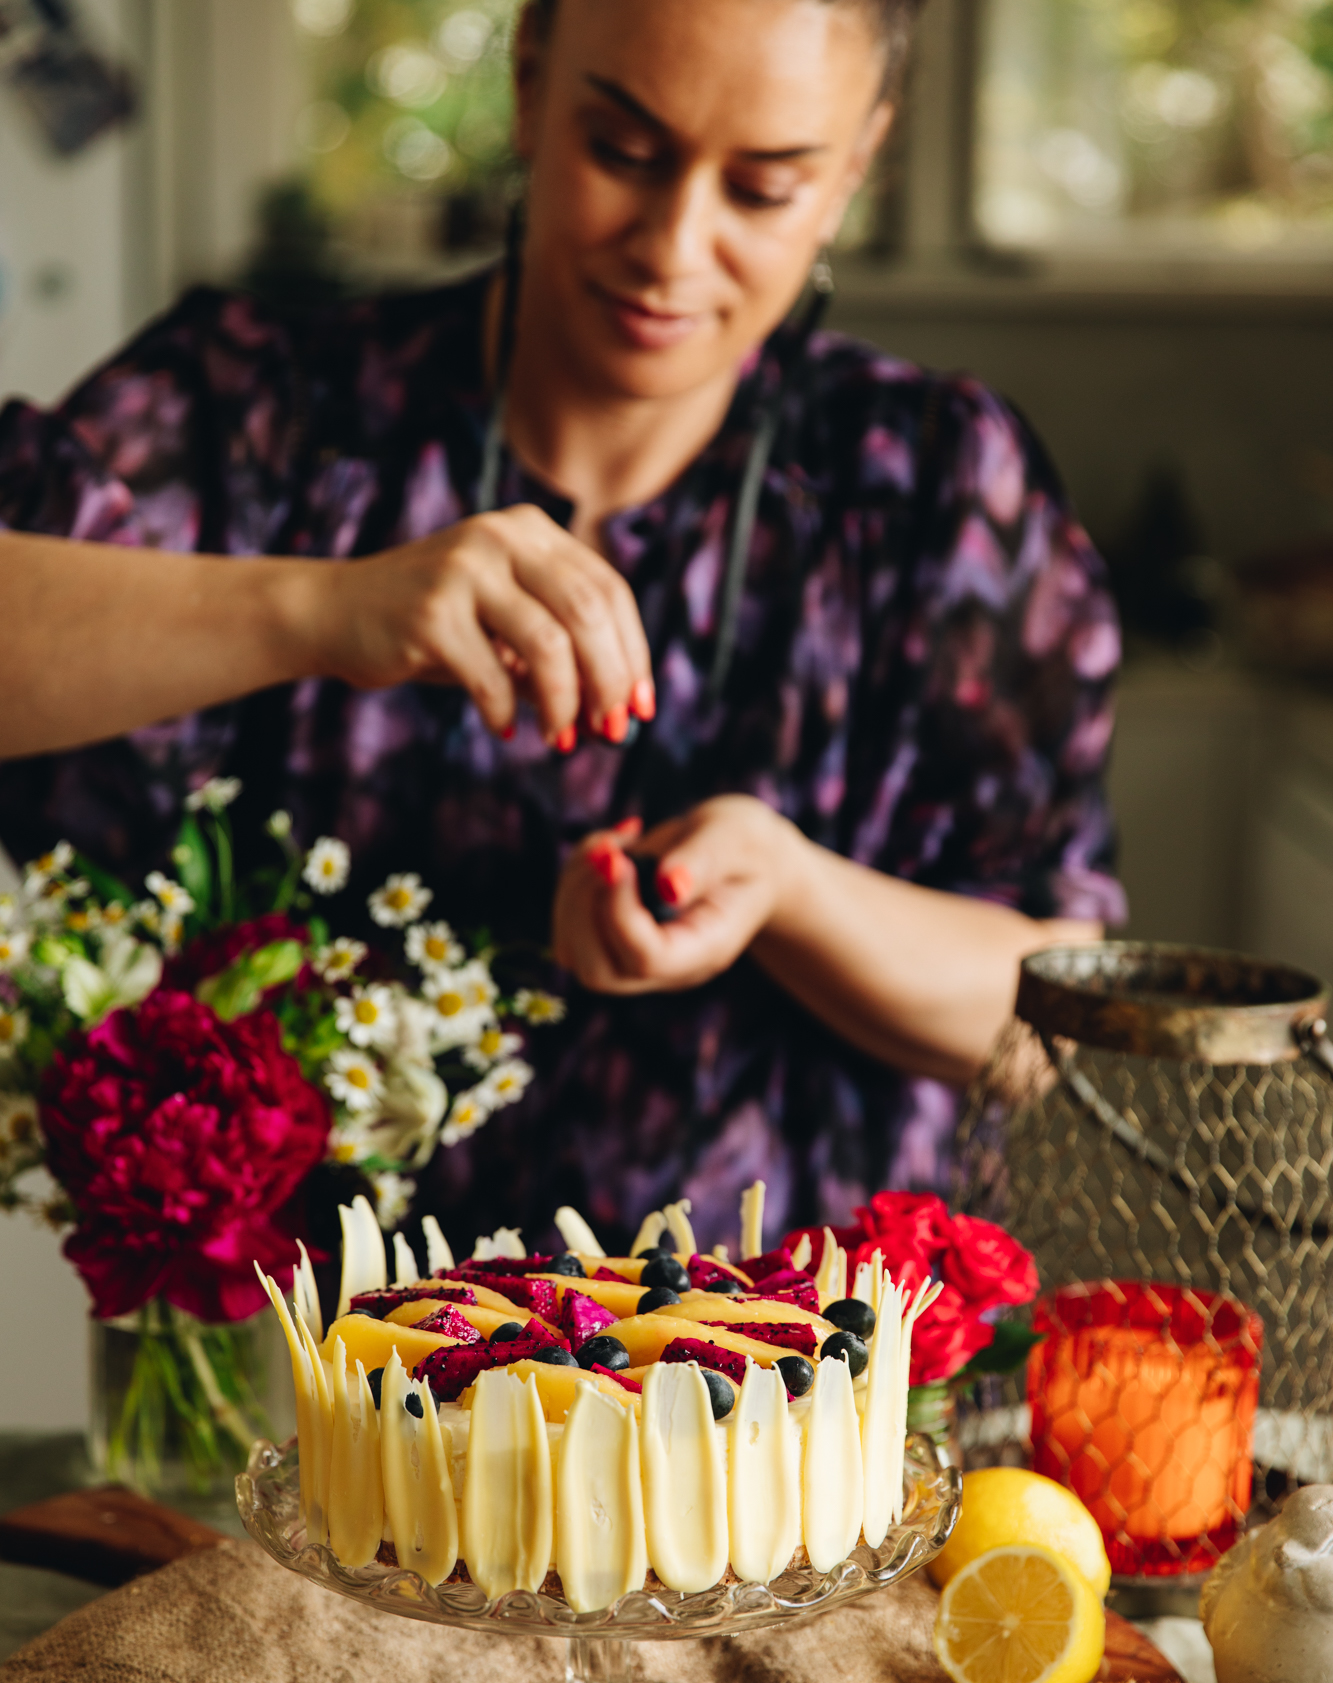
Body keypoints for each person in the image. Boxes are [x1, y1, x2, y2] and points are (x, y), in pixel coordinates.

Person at [0, 0, 1123, 1253]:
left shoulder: (933, 483)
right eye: (625, 152)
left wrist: (794, 890)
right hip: (327, 1389)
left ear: (856, 161)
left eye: (762, 188)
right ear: (530, 87)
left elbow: (1044, 1030)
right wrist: (319, 604)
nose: (672, 247)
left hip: (799, 1404)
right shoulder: (262, 409)